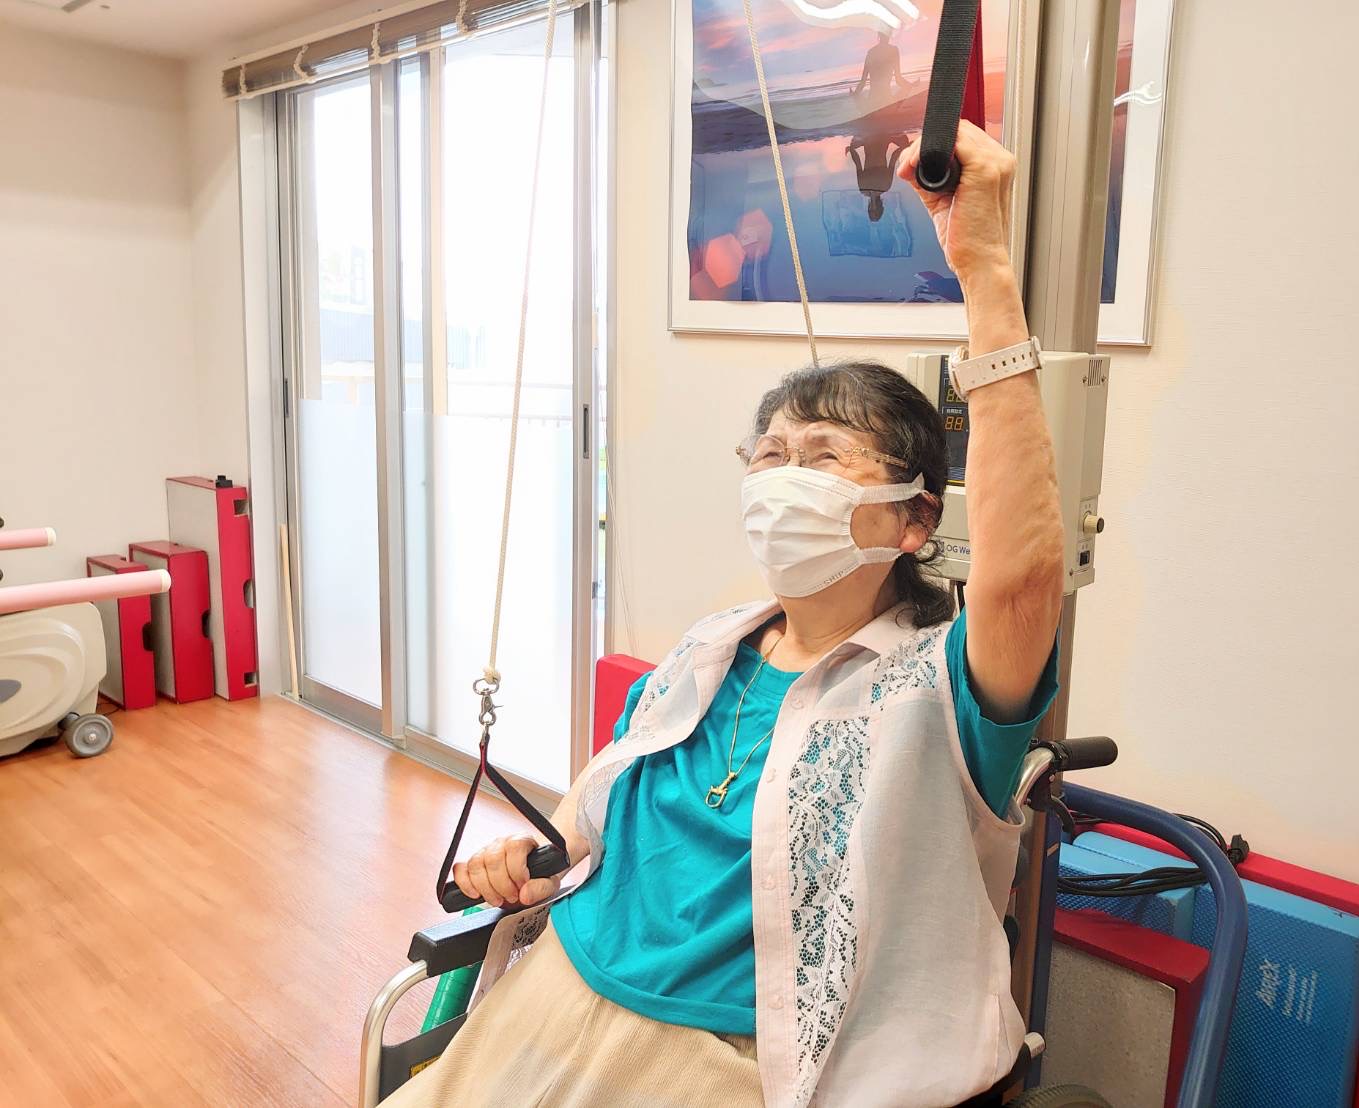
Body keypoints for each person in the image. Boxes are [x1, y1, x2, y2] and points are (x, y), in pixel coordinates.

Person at [385, 121, 1063, 1108]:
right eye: (771, 455)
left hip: (738, 1060)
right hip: (558, 991)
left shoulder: (938, 690)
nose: (785, 477)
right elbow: (599, 801)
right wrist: (538, 855)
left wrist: (985, 270)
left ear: (916, 519)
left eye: (825, 458)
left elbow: (1022, 582)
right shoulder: (708, 650)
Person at [846, 131, 912, 222]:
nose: (872, 207)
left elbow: (893, 157)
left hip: (878, 139)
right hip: (872, 139)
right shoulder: (864, 189)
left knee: (905, 143)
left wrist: (905, 148)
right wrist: (851, 150)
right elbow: (858, 163)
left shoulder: (885, 186)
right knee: (854, 143)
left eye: (871, 209)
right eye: (874, 209)